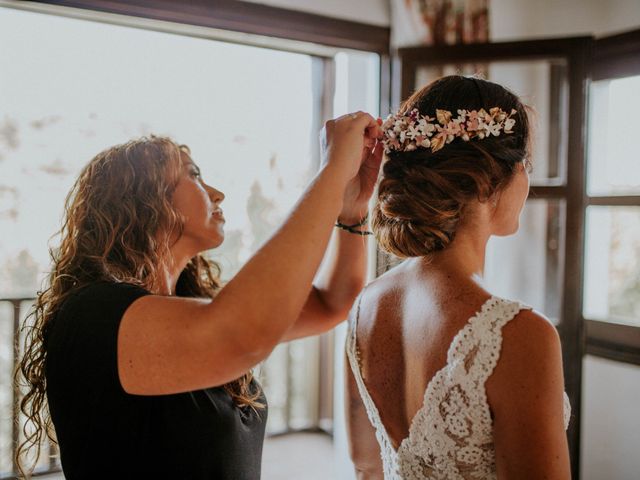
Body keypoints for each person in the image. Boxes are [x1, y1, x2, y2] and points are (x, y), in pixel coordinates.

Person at [16, 111, 384, 479]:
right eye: (193, 175)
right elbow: (243, 336)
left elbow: (331, 304)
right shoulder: (94, 314)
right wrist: (333, 172)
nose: (216, 193)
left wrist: (351, 212)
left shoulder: (186, 309)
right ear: (143, 198)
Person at [345, 76, 572, 480]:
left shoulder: (366, 306)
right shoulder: (518, 336)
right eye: (527, 166)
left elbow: (366, 466)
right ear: (494, 179)